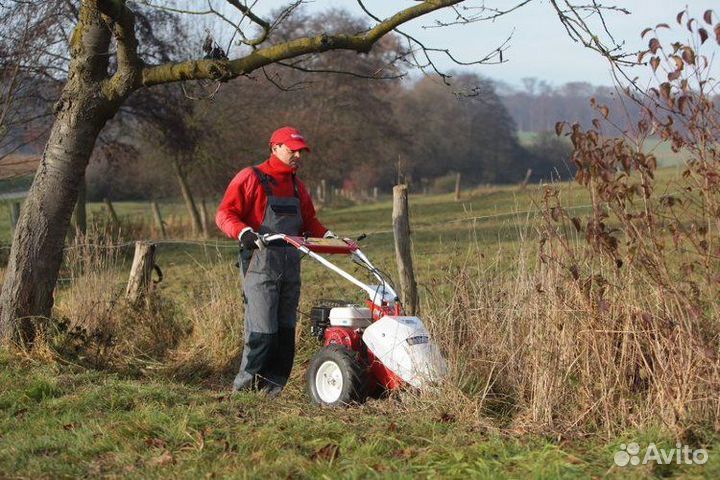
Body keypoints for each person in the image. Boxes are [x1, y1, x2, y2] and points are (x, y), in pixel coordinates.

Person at [216, 126, 336, 396]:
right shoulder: (251, 177)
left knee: (285, 335)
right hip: (260, 265)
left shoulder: (297, 186)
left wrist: (330, 237)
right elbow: (225, 213)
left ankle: (272, 393)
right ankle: (244, 392)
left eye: (300, 151)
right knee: (262, 333)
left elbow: (310, 223)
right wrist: (243, 232)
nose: (297, 155)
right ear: (274, 148)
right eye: (291, 150)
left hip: (291, 267)